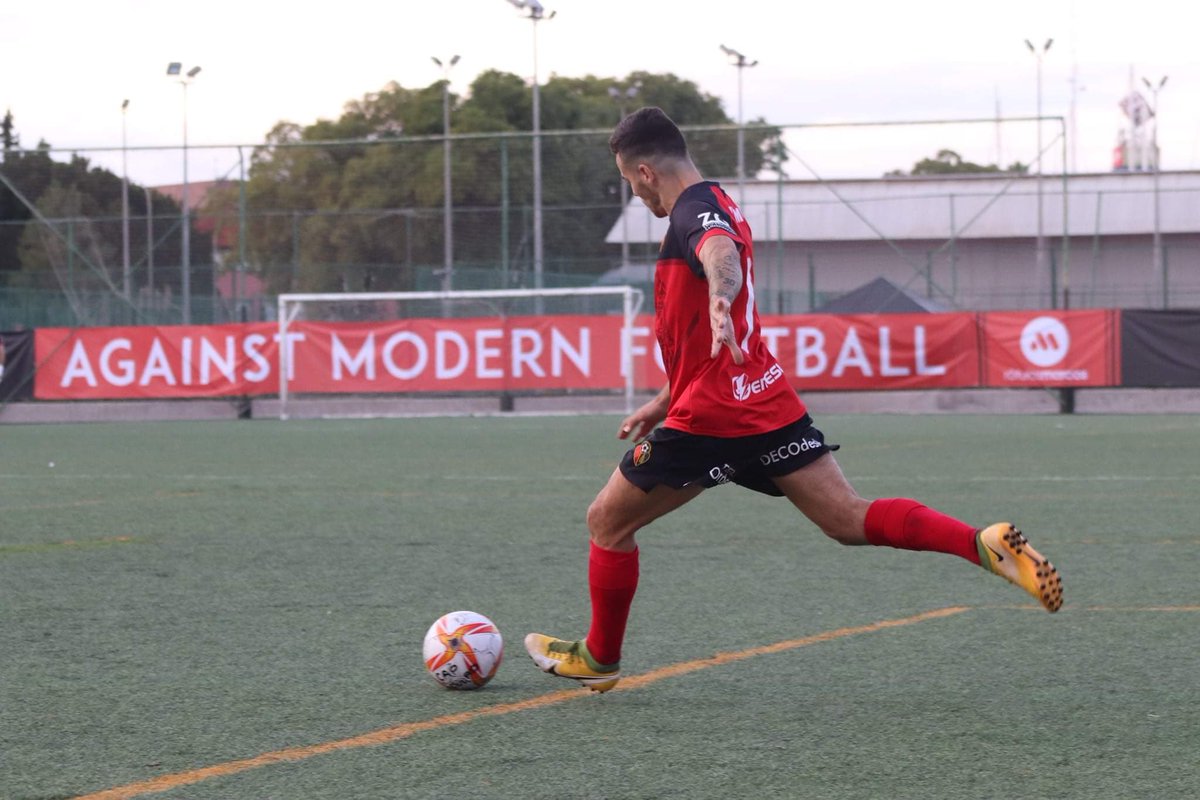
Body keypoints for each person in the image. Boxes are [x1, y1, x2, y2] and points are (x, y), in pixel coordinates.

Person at [523, 107, 1062, 693]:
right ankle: (979, 544)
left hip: (711, 415)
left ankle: (600, 657)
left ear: (647, 171)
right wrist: (664, 395)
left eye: (630, 182)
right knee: (846, 518)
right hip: (761, 396)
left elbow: (718, 254)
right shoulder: (719, 198)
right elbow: (705, 313)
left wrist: (721, 299)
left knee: (606, 522)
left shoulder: (692, 213)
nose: (635, 193)